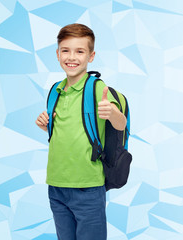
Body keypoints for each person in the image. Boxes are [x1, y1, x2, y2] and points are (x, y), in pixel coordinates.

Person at [35, 23, 127, 240]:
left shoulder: (97, 89)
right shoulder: (56, 90)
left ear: (91, 56)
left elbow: (121, 123)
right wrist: (44, 125)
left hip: (87, 187)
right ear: (57, 54)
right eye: (65, 50)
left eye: (80, 51)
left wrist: (111, 112)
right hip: (56, 185)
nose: (72, 57)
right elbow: (65, 131)